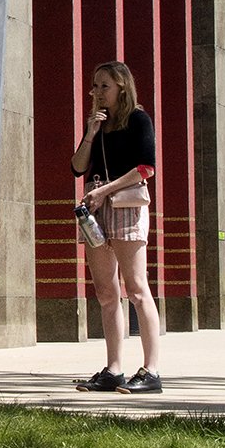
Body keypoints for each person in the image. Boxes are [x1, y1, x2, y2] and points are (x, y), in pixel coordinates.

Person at [71, 59, 162, 395]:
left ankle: (151, 370)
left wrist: (106, 190)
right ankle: (114, 369)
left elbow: (146, 167)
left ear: (121, 86)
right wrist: (91, 133)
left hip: (124, 204)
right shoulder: (99, 125)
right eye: (94, 86)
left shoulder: (138, 119)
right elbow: (77, 167)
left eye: (103, 86)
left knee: (137, 288)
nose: (96, 92)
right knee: (107, 293)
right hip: (95, 207)